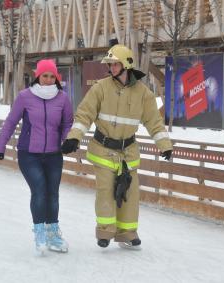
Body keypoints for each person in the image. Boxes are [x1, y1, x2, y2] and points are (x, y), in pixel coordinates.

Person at [61, 44, 173, 249]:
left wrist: (164, 145)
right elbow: (84, 114)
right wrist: (74, 137)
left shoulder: (144, 94)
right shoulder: (100, 88)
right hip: (103, 150)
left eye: (114, 64)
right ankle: (105, 232)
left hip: (128, 153)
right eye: (110, 64)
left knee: (130, 193)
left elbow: (154, 122)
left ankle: (128, 233)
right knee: (106, 190)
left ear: (127, 65)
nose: (111, 68)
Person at [0, 59, 73, 253]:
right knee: (39, 191)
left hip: (54, 155)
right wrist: (0, 144)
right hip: (29, 154)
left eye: (51, 76)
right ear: (38, 76)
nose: (48, 79)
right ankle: (39, 233)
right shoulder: (25, 97)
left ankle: (52, 234)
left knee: (52, 195)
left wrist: (67, 140)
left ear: (56, 77)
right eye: (44, 75)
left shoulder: (62, 98)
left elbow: (67, 123)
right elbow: (11, 121)